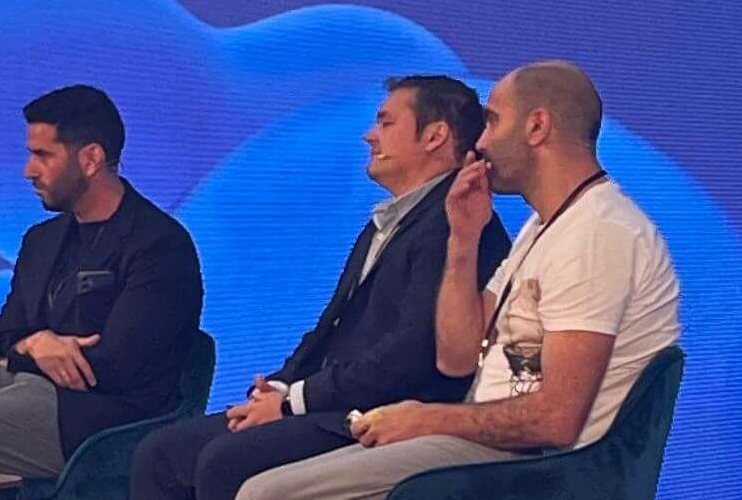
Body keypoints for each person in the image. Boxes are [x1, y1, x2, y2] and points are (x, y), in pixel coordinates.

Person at [233, 61, 682, 500]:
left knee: (266, 493)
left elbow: (555, 419)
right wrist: (463, 240)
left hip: (540, 468)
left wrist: (426, 419)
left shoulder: (598, 234)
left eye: (493, 121)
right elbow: (457, 357)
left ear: (537, 127)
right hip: (490, 446)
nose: (481, 142)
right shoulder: (542, 229)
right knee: (260, 479)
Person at [129, 75, 511, 500]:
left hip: (386, 412)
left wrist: (293, 402)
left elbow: (410, 355)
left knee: (224, 460)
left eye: (386, 123)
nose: (370, 136)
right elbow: (331, 328)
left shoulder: (458, 225)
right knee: (162, 454)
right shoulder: (386, 223)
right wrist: (278, 387)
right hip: (333, 403)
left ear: (435, 136)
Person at [0, 84, 207, 479]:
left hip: (88, 416)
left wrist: (26, 356)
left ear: (91, 159)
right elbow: (1, 341)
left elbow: (114, 367)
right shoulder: (41, 241)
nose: (28, 170)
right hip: (19, 387)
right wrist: (35, 345)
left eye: (43, 155)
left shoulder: (159, 244)